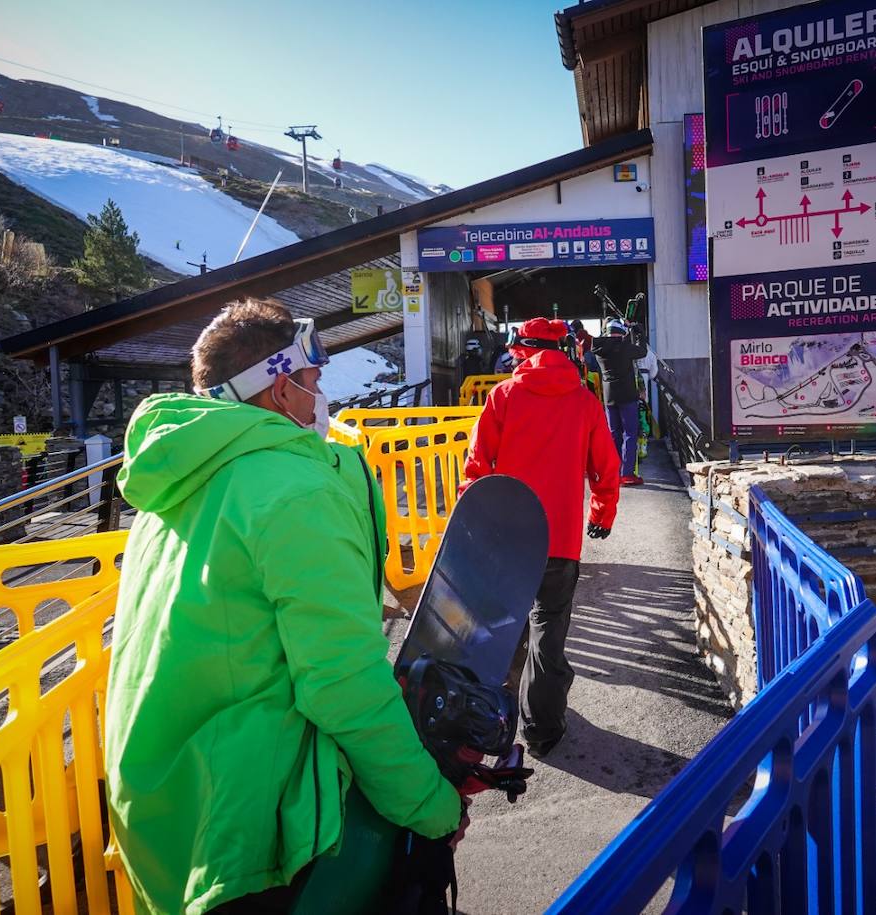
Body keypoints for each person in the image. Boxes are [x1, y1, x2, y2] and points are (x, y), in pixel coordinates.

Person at [105, 298, 466, 914]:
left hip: (158, 804)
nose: (321, 397)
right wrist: (432, 806)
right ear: (278, 388)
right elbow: (341, 685)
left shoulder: (182, 472)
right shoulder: (296, 490)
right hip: (242, 821)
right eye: (314, 380)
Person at [462, 317, 620, 757]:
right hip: (561, 541)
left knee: (502, 632)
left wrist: (476, 523)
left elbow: (476, 469)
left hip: (508, 539)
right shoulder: (584, 400)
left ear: (522, 351)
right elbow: (606, 468)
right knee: (548, 636)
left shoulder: (503, 396)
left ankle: (494, 721)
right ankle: (543, 731)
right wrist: (601, 514)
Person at [590, 319, 649, 486]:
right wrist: (638, 330)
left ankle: (613, 473)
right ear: (621, 332)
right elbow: (642, 351)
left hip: (609, 396)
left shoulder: (599, 348)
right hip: (627, 395)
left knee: (613, 434)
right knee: (630, 434)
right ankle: (627, 473)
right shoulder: (625, 347)